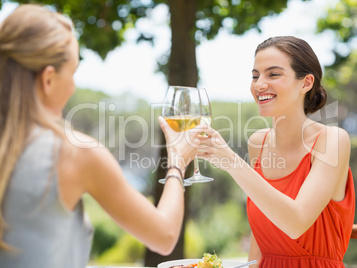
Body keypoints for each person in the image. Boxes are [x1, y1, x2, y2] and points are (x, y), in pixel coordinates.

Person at [0, 4, 205, 267]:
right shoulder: (74, 152)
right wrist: (177, 160)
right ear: (48, 79)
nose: (74, 85)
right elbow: (163, 236)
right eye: (73, 72)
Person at [198, 36, 355, 267]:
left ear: (306, 83)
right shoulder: (258, 144)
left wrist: (231, 161)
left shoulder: (332, 140)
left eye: (273, 74)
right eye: (255, 76)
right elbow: (260, 236)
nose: (259, 84)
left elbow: (296, 222)